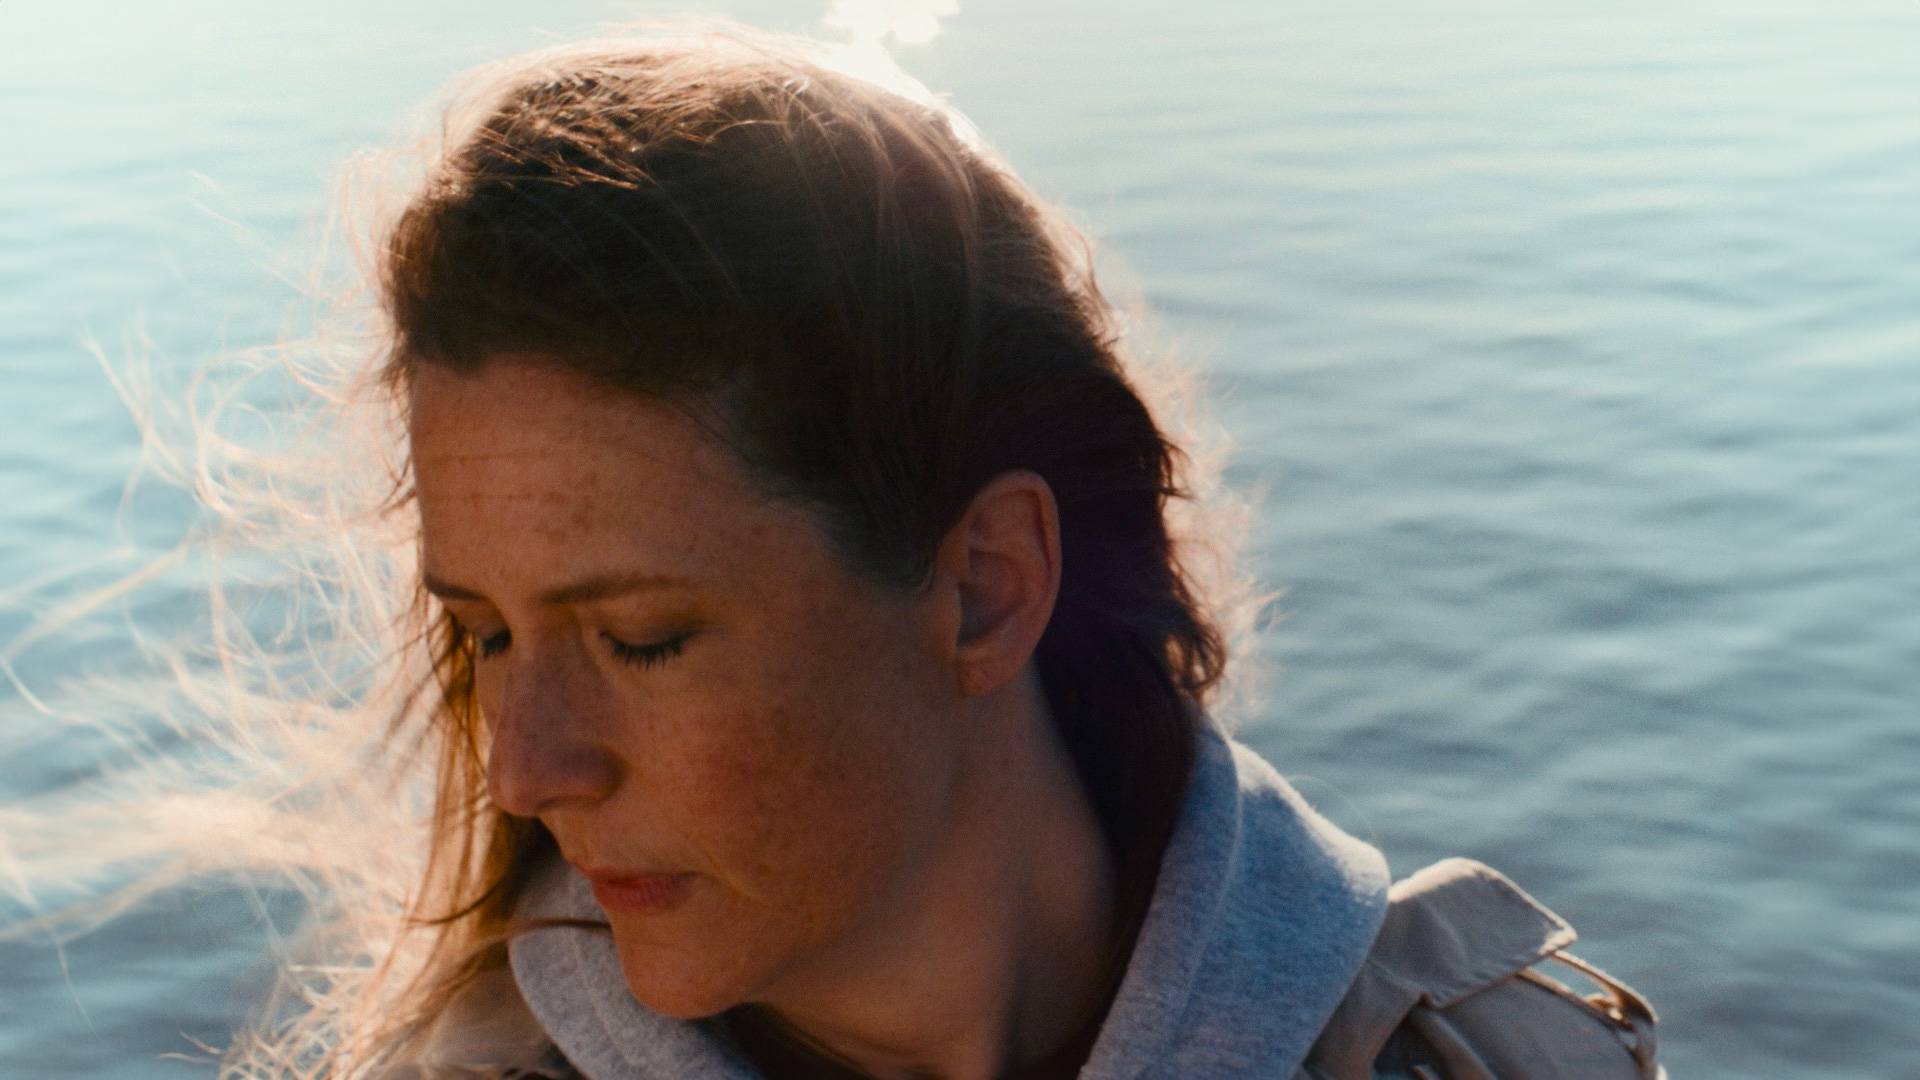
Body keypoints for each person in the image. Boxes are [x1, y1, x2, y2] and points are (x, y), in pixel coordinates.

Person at [14, 24, 1661, 1080]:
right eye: (489, 632)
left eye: (642, 636)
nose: (524, 766)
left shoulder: (1489, 1056)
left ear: (985, 585)